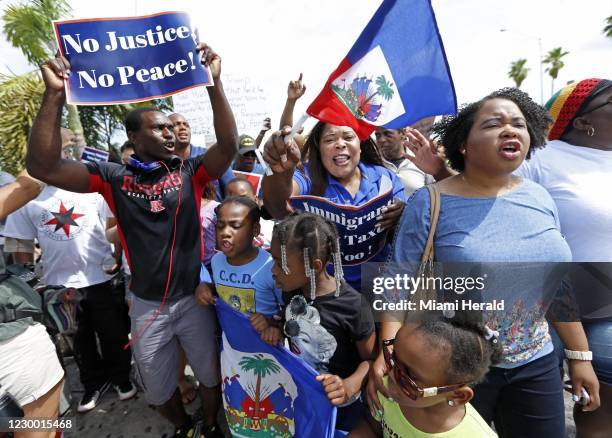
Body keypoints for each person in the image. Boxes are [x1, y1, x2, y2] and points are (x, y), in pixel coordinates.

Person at [26, 42, 237, 438]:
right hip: (146, 307)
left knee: (210, 377)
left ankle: (209, 426)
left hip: (194, 299)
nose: (171, 133)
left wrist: (214, 83)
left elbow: (227, 147)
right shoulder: (112, 178)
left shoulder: (190, 171)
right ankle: (184, 426)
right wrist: (54, 93)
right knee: (157, 392)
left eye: (172, 128)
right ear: (135, 138)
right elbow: (43, 165)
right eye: (159, 128)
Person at [370, 88, 600, 437]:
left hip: (536, 362)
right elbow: (399, 283)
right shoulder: (429, 202)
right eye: (494, 124)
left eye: (519, 124)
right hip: (454, 370)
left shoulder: (540, 197)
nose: (510, 131)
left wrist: (580, 356)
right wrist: (389, 355)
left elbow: (555, 283)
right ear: (464, 143)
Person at [516, 78, 612, 437]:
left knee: (600, 411)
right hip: (548, 306)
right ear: (583, 120)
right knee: (538, 410)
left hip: (609, 305)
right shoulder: (541, 159)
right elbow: (489, 195)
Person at [3, 181, 135, 413]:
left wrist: (115, 256)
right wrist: (29, 284)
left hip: (100, 277)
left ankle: (121, 377)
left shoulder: (88, 183)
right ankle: (93, 384)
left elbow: (112, 218)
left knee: (113, 332)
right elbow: (18, 242)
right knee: (79, 340)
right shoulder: (26, 193)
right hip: (59, 286)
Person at [262, 122, 407, 291]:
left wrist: (401, 214)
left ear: (360, 144)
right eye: (330, 139)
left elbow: (407, 228)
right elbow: (279, 207)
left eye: (348, 137)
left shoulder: (385, 177)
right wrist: (280, 172)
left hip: (380, 285)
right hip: (329, 292)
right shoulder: (307, 176)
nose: (340, 144)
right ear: (319, 149)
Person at [270, 212, 376, 431]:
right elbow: (289, 327)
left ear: (315, 266)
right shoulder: (292, 292)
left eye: (281, 264)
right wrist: (274, 329)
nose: (273, 270)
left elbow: (372, 361)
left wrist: (349, 384)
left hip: (341, 410)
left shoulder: (353, 306)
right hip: (300, 399)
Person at [349, 314, 500, 437]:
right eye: (392, 358)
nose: (392, 378)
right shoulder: (388, 391)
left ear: (458, 395)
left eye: (409, 378)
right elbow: (372, 425)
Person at [0, 173, 62, 438]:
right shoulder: (15, 185)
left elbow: (17, 239)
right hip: (13, 344)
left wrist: (26, 272)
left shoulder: (3, 178)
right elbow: (28, 187)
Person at [196, 196, 282, 344]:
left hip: (266, 350)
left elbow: (289, 309)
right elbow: (223, 290)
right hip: (231, 348)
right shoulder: (217, 261)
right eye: (220, 225)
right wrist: (206, 287)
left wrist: (273, 325)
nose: (225, 232)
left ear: (255, 229)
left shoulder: (271, 266)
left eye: (235, 226)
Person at [169, 111, 235, 200]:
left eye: (186, 125)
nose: (183, 127)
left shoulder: (210, 155)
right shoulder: (162, 164)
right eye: (176, 124)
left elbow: (232, 187)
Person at [374, 127, 435, 196]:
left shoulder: (421, 160)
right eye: (377, 135)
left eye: (387, 134)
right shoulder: (373, 165)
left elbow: (434, 195)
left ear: (402, 134)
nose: (382, 140)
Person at [224, 177, 273, 248]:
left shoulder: (272, 229)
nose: (237, 205)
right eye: (230, 201)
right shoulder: (220, 229)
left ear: (255, 199)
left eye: (243, 199)